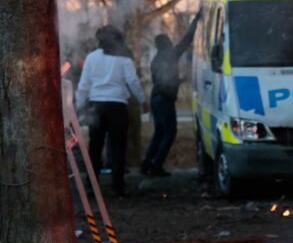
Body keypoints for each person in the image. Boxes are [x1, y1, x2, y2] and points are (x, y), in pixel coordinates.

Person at [76, 25, 146, 197]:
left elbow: (84, 84)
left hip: (96, 106)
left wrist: (79, 106)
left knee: (95, 147)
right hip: (117, 106)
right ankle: (118, 186)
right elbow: (133, 81)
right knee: (118, 147)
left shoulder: (92, 57)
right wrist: (143, 100)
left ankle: (91, 186)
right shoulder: (124, 58)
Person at [142, 13, 201, 177]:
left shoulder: (156, 60)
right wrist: (195, 21)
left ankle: (146, 164)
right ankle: (156, 166)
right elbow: (186, 40)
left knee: (159, 133)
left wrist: (179, 80)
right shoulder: (170, 56)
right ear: (166, 44)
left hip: (155, 98)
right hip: (164, 100)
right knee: (170, 132)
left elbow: (163, 81)